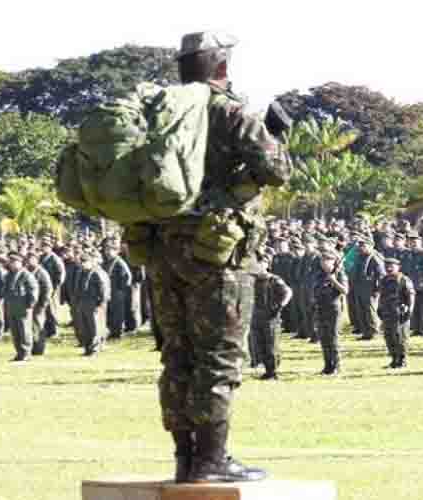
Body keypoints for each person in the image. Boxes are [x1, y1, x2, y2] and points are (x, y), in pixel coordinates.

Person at [147, 31, 291, 483]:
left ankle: (185, 458)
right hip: (218, 254)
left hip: (163, 250)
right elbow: (277, 170)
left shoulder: (161, 115)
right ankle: (212, 459)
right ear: (223, 68)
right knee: (219, 358)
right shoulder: (232, 112)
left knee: (177, 355)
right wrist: (278, 136)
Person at [250, 255, 292, 380]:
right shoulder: (252, 279)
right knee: (259, 344)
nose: (259, 266)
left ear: (267, 265)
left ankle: (272, 371)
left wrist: (281, 305)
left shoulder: (274, 279)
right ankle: (267, 370)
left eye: (262, 263)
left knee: (271, 344)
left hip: (271, 317)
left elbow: (288, 292)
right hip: (256, 316)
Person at [313, 251, 349, 375]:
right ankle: (327, 365)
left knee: (333, 338)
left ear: (333, 261)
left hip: (333, 308)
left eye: (327, 260)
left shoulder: (340, 274)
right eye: (322, 261)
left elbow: (345, 290)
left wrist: (334, 281)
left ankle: (335, 365)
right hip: (321, 307)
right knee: (324, 338)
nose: (324, 263)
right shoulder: (320, 274)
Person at [378, 258, 415, 369]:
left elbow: (410, 296)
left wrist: (409, 311)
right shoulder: (384, 280)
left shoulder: (403, 279)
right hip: (387, 312)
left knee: (400, 337)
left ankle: (402, 360)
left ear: (398, 267)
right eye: (387, 266)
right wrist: (379, 308)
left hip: (400, 313)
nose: (389, 268)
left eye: (391, 266)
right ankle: (394, 359)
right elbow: (382, 295)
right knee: (389, 337)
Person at [2, 252, 38, 363]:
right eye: (11, 262)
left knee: (25, 331)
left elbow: (33, 291)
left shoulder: (27, 275)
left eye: (14, 262)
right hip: (11, 307)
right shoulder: (8, 275)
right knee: (15, 332)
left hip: (23, 308)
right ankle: (19, 353)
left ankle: (26, 354)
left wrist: (29, 305)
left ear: (20, 263)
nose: (12, 264)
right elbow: (5, 291)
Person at [28, 253, 53, 356]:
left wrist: (43, 304)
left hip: (39, 304)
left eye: (32, 259)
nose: (29, 261)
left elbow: (47, 289)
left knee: (39, 326)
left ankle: (40, 348)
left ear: (36, 260)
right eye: (28, 259)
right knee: (31, 327)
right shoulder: (28, 272)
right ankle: (33, 347)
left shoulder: (42, 273)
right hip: (30, 304)